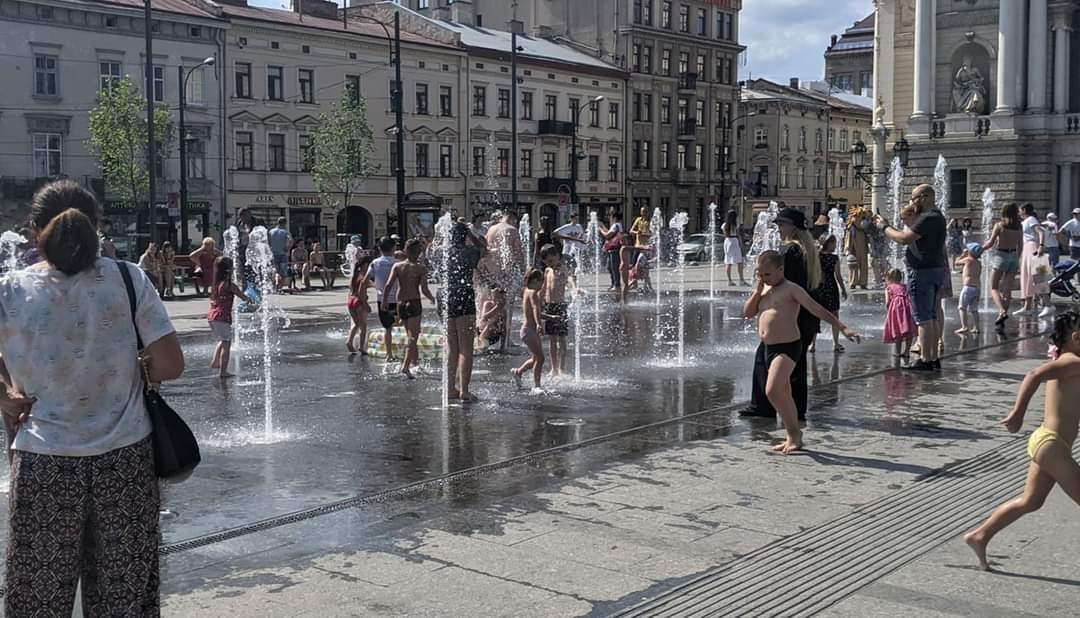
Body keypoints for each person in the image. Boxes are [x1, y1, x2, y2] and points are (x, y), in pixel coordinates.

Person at [0, 179, 183, 615]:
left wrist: (6, 395)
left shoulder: (9, 289)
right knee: (124, 596)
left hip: (43, 461)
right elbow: (171, 364)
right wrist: (134, 368)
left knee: (37, 598)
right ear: (97, 227)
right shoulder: (128, 278)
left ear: (33, 230)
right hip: (124, 460)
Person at [964, 311, 1080, 571]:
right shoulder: (1072, 361)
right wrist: (1017, 414)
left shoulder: (1070, 361)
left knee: (1031, 501)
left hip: (1048, 443)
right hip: (1051, 445)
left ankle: (979, 536)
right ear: (1076, 337)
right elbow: (1033, 375)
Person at [743, 250, 860, 454]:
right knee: (784, 393)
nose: (763, 278)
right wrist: (757, 291)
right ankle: (793, 434)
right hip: (768, 348)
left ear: (781, 269)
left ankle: (795, 434)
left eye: (768, 274)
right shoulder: (763, 290)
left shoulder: (791, 289)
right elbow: (748, 313)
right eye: (759, 274)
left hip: (788, 347)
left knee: (772, 390)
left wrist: (842, 327)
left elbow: (816, 308)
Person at [741, 207, 822, 421]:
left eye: (781, 224)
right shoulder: (807, 251)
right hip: (803, 318)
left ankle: (764, 407)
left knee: (764, 359)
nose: (778, 228)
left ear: (792, 227)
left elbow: (781, 284)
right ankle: (797, 410)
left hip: (791, 317)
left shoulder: (790, 253)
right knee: (796, 366)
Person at [876, 184, 948, 371]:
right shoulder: (938, 216)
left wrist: (884, 227)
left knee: (922, 318)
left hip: (921, 272)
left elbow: (904, 238)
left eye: (914, 198)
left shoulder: (927, 217)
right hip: (934, 269)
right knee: (931, 316)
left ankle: (925, 359)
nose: (912, 201)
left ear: (925, 197)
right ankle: (932, 358)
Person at [381, 238, 434, 379]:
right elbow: (424, 289)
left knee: (410, 335)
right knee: (413, 337)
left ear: (405, 250)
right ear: (418, 253)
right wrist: (432, 298)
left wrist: (384, 301)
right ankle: (405, 366)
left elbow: (388, 285)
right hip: (414, 303)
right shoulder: (421, 268)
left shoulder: (398, 266)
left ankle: (415, 363)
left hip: (401, 304)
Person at [445, 220, 485, 401]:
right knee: (466, 348)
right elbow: (485, 248)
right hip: (465, 298)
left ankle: (450, 389)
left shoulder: (445, 253)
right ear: (465, 236)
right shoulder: (471, 252)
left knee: (452, 348)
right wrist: (471, 234)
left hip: (447, 299)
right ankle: (464, 390)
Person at [208, 256, 255, 378]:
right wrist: (253, 303)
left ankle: (215, 362)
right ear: (229, 270)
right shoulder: (229, 285)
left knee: (223, 340)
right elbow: (243, 297)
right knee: (227, 343)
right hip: (222, 317)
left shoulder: (215, 284)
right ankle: (223, 372)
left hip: (212, 316)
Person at [983, 202, 1023, 331]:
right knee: (1007, 290)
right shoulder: (1019, 226)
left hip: (1001, 255)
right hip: (1014, 256)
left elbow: (990, 243)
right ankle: (1002, 319)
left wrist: (979, 249)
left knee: (993, 286)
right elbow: (1020, 245)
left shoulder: (1000, 225)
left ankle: (1001, 311)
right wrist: (1017, 257)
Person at [364, 237, 401, 362]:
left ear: (379, 248)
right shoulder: (398, 263)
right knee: (403, 324)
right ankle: (409, 353)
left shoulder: (375, 263)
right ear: (394, 248)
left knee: (388, 328)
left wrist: (376, 286)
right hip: (397, 299)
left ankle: (389, 354)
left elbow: (365, 280)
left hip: (382, 300)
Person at [809, 235, 847, 353]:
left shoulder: (817, 256)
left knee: (816, 315)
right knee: (834, 316)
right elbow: (838, 277)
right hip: (831, 287)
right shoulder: (834, 258)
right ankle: (835, 343)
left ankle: (812, 344)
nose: (836, 246)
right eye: (834, 243)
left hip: (819, 287)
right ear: (829, 244)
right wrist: (843, 289)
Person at [511, 269, 547, 394]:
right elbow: (535, 309)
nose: (542, 286)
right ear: (536, 281)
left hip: (529, 331)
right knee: (540, 358)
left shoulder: (526, 291)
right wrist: (538, 324)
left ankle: (518, 372)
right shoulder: (533, 293)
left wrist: (550, 317)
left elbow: (533, 312)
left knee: (535, 358)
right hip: (529, 331)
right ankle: (536, 386)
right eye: (542, 282)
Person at [540, 244, 573, 378]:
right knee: (552, 340)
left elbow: (570, 279)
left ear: (557, 256)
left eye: (551, 261)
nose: (550, 264)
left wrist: (574, 289)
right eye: (547, 262)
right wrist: (539, 300)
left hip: (560, 307)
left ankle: (562, 368)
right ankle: (553, 368)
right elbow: (544, 288)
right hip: (549, 306)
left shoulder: (563, 269)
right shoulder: (548, 270)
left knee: (562, 339)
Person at [1016, 203, 1053, 318]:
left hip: (1034, 247)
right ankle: (1027, 306)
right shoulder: (1026, 221)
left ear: (1024, 210)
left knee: (1039, 276)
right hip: (1028, 248)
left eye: (1020, 210)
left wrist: (1041, 246)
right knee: (1027, 277)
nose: (1019, 212)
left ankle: (1048, 305)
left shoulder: (1031, 219)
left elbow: (1040, 232)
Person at [882, 268, 918, 364]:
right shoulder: (905, 286)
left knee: (897, 329)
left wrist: (889, 311)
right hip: (907, 306)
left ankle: (897, 352)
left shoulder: (888, 288)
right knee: (908, 328)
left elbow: (887, 302)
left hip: (896, 308)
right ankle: (906, 351)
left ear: (888, 278)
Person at [346, 255, 374, 354]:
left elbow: (351, 287)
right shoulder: (364, 275)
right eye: (370, 265)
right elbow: (361, 292)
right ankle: (362, 347)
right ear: (366, 265)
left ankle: (349, 341)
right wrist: (366, 304)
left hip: (350, 300)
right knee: (363, 326)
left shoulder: (355, 274)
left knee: (356, 324)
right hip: (359, 302)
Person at [955, 243, 984, 335]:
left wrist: (962, 255)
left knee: (962, 307)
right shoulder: (979, 263)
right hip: (977, 288)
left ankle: (964, 326)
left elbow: (956, 262)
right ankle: (976, 327)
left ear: (970, 252)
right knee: (974, 309)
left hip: (967, 288)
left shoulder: (968, 260)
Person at [599, 212, 624, 291]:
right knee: (610, 267)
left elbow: (607, 235)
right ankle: (614, 284)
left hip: (614, 249)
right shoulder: (618, 225)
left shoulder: (616, 225)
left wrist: (599, 229)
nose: (610, 219)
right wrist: (602, 226)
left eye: (610, 217)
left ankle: (616, 285)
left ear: (615, 218)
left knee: (614, 267)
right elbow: (609, 232)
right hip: (613, 249)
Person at [845, 211, 870, 289]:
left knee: (864, 266)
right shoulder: (852, 229)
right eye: (861, 217)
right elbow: (848, 240)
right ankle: (853, 282)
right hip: (854, 250)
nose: (863, 220)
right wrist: (848, 250)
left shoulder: (863, 229)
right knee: (854, 266)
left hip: (863, 250)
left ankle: (863, 282)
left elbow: (867, 239)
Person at [722, 209, 747, 286]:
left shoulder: (724, 225)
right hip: (734, 241)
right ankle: (741, 280)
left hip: (727, 241)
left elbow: (724, 234)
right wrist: (742, 246)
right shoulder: (736, 225)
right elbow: (739, 235)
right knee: (739, 261)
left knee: (728, 262)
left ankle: (729, 280)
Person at [268, 217, 291, 290]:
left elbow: (268, 242)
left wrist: (270, 248)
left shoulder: (271, 231)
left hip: (273, 254)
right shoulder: (285, 232)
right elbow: (291, 240)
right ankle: (279, 287)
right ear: (285, 223)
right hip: (283, 254)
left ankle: (277, 284)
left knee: (276, 271)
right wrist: (288, 248)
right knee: (283, 273)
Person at [619, 232, 636, 299]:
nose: (625, 241)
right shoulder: (623, 247)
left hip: (627, 267)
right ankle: (624, 300)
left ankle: (626, 295)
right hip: (623, 267)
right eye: (623, 240)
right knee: (625, 284)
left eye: (626, 240)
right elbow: (634, 248)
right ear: (620, 242)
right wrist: (644, 247)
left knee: (633, 284)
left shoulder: (626, 248)